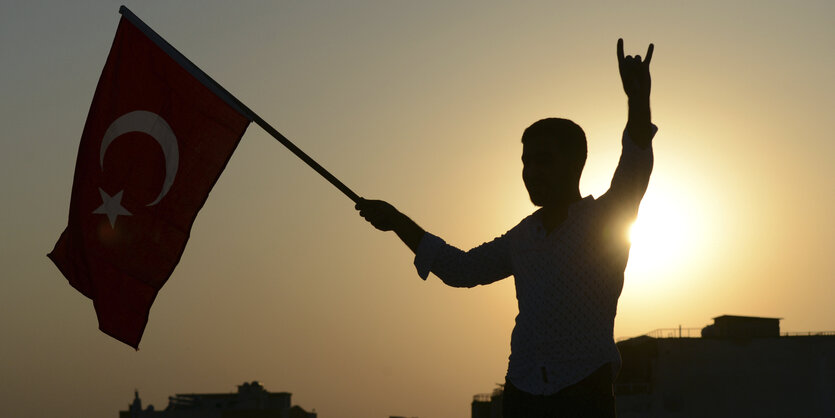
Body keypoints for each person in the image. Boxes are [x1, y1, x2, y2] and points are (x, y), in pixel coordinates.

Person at [356, 38, 656, 417]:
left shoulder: (606, 220)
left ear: (575, 162)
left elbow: (635, 164)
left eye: (543, 160)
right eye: (526, 162)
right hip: (522, 391)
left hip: (583, 392)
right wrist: (398, 222)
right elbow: (461, 269)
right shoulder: (522, 237)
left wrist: (638, 100)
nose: (532, 172)